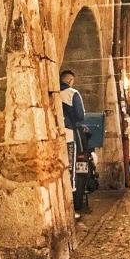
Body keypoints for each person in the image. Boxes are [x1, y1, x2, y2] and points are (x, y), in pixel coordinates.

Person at [60, 69, 86, 212]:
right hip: (69, 134)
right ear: (70, 80)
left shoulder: (53, 92)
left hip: (54, 134)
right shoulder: (72, 93)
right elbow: (80, 115)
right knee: (70, 169)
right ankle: (70, 207)